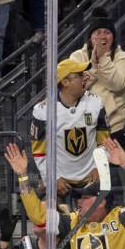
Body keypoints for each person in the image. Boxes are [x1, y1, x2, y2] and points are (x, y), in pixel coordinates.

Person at [30, 58, 110, 196]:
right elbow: (39, 153)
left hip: (92, 179)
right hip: (59, 182)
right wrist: (52, 178)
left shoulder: (96, 103)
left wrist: (100, 168)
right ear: (65, 82)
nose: (86, 77)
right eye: (80, 75)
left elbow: (105, 142)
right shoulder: (43, 111)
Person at [68, 7, 125, 150]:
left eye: (107, 32)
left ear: (113, 37)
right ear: (90, 37)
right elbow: (74, 89)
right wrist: (94, 67)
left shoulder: (124, 58)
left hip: (116, 128)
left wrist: (103, 58)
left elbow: (118, 84)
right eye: (98, 32)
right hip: (83, 127)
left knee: (115, 171)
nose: (102, 36)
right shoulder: (77, 57)